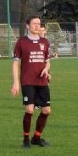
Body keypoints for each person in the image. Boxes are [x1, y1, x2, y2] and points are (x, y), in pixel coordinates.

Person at [12, 16, 52, 148]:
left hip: (42, 81)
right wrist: (16, 83)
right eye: (34, 24)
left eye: (38, 24)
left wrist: (46, 69)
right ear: (27, 25)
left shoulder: (45, 42)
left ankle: (37, 137)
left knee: (46, 110)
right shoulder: (21, 42)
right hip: (28, 81)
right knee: (29, 109)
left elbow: (47, 61)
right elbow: (15, 63)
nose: (37, 26)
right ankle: (25, 139)